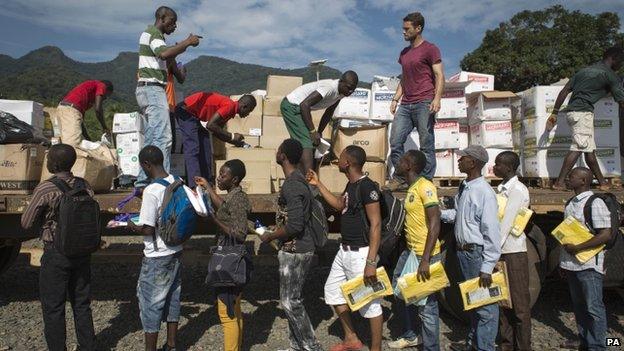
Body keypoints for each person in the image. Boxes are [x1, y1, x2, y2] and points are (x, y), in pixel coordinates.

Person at [128, 145, 208, 351]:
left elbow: (147, 229)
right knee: (173, 296)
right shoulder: (175, 180)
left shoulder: (151, 190)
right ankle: (172, 344)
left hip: (156, 256)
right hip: (175, 250)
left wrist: (130, 226)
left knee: (151, 304)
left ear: (146, 164)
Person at [307, 145, 383, 351]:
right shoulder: (351, 185)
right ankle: (351, 338)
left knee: (370, 304)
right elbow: (340, 205)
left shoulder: (368, 187)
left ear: (348, 163)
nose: (337, 160)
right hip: (344, 251)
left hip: (361, 255)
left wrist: (371, 262)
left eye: (340, 157)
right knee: (332, 291)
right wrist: (318, 183)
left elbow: (376, 224)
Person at [21, 144, 96, 351]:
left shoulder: (46, 188)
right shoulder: (85, 185)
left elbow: (26, 223)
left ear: (52, 163)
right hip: (82, 252)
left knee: (53, 307)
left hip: (56, 253)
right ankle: (87, 347)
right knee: (82, 304)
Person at [258, 139, 322, 351]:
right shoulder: (296, 180)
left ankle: (312, 346)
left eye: (278, 150)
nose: (276, 153)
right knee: (291, 299)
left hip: (297, 250)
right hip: (296, 248)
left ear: (283, 156)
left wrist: (271, 236)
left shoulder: (293, 184)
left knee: (290, 302)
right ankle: (297, 346)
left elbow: (295, 225)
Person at [440, 145, 501, 351]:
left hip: (476, 254)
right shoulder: (466, 187)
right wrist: (436, 213)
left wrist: (487, 266)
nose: (459, 161)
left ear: (473, 163)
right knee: (473, 303)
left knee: (485, 308)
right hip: (464, 253)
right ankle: (473, 344)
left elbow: (491, 230)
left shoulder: (484, 192)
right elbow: (460, 217)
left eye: (462, 158)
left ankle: (484, 347)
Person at [135, 6, 201, 188]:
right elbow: (164, 53)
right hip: (153, 90)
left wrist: (181, 64)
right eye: (172, 22)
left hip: (149, 90)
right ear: (162, 18)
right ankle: (161, 182)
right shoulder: (153, 33)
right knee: (164, 137)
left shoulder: (158, 39)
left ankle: (142, 181)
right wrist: (187, 42)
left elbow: (178, 76)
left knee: (151, 138)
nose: (174, 27)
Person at [195, 159, 251, 351]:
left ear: (234, 179)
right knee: (234, 309)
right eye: (219, 174)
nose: (219, 178)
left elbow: (240, 233)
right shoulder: (233, 196)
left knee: (226, 313)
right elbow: (224, 207)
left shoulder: (238, 200)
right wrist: (208, 187)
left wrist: (214, 221)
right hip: (230, 257)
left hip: (230, 259)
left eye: (223, 175)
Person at [549, 46, 624, 191]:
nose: (621, 65)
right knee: (577, 148)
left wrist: (554, 112)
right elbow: (621, 101)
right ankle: (559, 182)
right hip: (583, 114)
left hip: (573, 113)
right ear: (614, 58)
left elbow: (564, 91)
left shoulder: (583, 71)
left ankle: (602, 183)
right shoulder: (610, 75)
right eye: (621, 61)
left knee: (589, 150)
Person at [388, 150, 441, 350]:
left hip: (424, 254)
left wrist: (426, 259)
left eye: (401, 161)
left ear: (409, 165)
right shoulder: (412, 187)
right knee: (399, 290)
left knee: (427, 306)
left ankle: (431, 347)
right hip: (411, 252)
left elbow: (435, 222)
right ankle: (411, 335)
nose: (398, 163)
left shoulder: (425, 186)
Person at [388, 12, 444, 188]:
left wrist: (437, 98)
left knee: (426, 144)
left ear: (418, 28)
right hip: (405, 104)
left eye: (407, 29)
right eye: (403, 29)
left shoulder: (430, 49)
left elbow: (439, 75)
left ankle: (425, 181)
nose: (403, 32)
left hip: (424, 102)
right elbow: (404, 78)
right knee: (396, 141)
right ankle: (402, 177)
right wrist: (396, 98)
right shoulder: (404, 53)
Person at [559, 167, 611, 351]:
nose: (566, 178)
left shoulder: (594, 203)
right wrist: (563, 262)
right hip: (572, 264)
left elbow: (605, 234)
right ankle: (584, 340)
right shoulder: (571, 202)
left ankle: (598, 345)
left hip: (588, 265)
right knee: (579, 306)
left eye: (570, 176)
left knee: (593, 308)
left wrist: (579, 248)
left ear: (583, 181)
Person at [281, 71, 359, 173]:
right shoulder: (329, 88)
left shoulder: (342, 93)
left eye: (353, 89)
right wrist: (313, 132)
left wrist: (319, 131)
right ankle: (310, 182)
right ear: (341, 82)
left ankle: (302, 177)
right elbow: (304, 105)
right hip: (292, 106)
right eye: (348, 88)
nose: (350, 92)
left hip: (299, 108)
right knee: (307, 143)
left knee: (308, 144)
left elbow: (329, 112)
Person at [492, 151, 532, 351]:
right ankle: (507, 345)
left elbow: (506, 224)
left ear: (508, 167)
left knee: (520, 305)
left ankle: (523, 346)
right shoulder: (500, 189)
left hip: (512, 252)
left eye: (498, 164)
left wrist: (491, 252)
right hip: (502, 252)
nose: (494, 167)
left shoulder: (517, 190)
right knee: (504, 302)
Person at [175, 92, 257, 186]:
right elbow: (210, 125)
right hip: (185, 111)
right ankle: (194, 185)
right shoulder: (229, 106)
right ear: (244, 106)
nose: (248, 114)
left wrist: (236, 142)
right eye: (249, 111)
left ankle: (207, 181)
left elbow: (217, 132)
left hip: (194, 115)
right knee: (192, 147)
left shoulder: (230, 111)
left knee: (205, 144)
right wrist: (232, 136)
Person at [57, 80, 113, 146]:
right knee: (73, 145)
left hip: (62, 109)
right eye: (107, 95)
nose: (105, 98)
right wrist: (104, 127)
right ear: (106, 88)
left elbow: (81, 124)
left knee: (66, 143)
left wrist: (88, 139)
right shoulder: (101, 85)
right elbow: (98, 109)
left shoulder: (83, 102)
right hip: (70, 110)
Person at [166, 60, 187, 153]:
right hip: (168, 106)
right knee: (170, 139)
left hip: (154, 107)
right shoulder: (168, 63)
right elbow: (181, 78)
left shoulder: (147, 69)